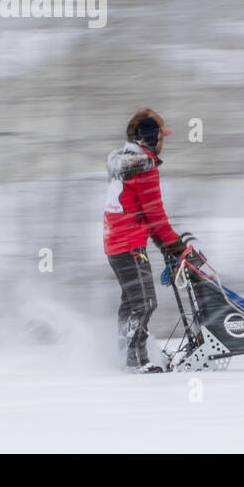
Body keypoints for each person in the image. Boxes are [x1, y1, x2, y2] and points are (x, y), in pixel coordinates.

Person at [103, 109, 186, 373]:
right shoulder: (144, 166)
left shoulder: (124, 164)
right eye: (162, 138)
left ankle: (126, 355)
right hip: (128, 245)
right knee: (145, 302)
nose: (164, 143)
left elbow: (143, 213)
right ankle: (135, 361)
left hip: (115, 244)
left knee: (131, 302)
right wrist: (174, 245)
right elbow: (154, 214)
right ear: (153, 139)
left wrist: (165, 244)